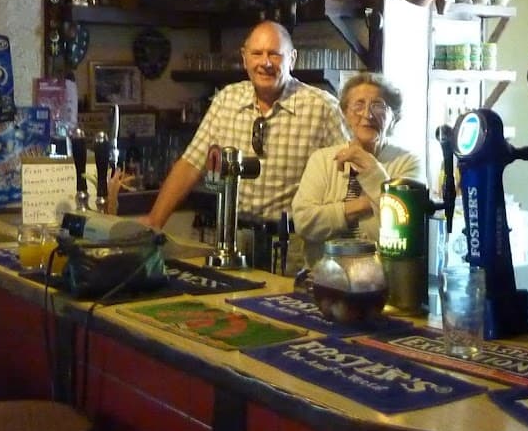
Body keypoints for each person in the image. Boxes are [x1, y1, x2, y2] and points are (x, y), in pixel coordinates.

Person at [144, 21, 348, 241]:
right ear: (244, 58)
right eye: (257, 53)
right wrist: (153, 223)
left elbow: (349, 175)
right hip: (233, 238)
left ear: (293, 59)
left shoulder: (322, 107)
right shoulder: (227, 99)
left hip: (293, 244)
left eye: (275, 54)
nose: (265, 63)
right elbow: (191, 165)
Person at [291, 72, 423, 267]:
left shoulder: (408, 162)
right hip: (324, 278)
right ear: (345, 114)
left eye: (378, 105)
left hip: (385, 280)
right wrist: (368, 202)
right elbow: (305, 222)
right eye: (358, 105)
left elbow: (403, 228)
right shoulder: (323, 159)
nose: (367, 115)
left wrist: (371, 169)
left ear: (393, 116)